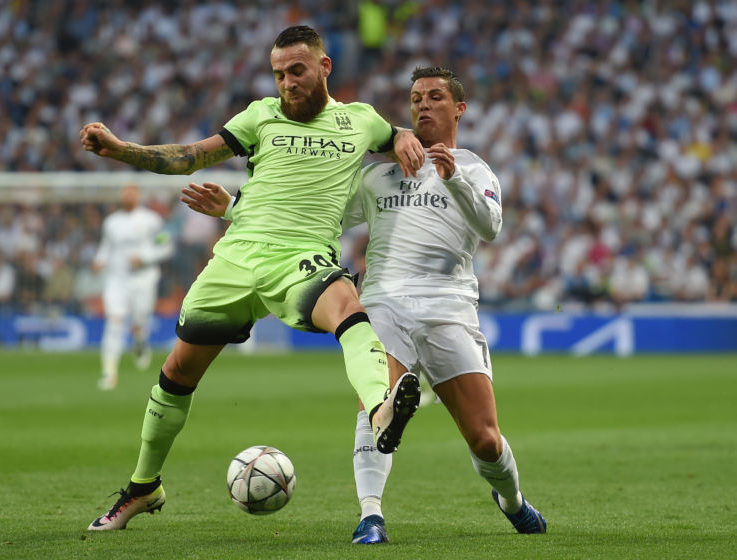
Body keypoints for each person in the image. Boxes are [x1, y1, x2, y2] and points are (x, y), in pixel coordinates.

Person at [79, 25, 425, 531]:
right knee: (177, 372)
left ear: (325, 68)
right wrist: (121, 149)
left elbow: (396, 137)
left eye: (297, 71)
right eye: (279, 73)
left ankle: (381, 409)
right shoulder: (259, 116)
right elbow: (192, 156)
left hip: (302, 257)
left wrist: (406, 137)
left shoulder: (360, 121)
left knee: (348, 308)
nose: (287, 82)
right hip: (236, 257)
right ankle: (143, 486)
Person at [182, 66, 547, 541]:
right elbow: (315, 212)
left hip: (449, 307)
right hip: (384, 303)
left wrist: (452, 177)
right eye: (416, 97)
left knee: (484, 438)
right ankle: (370, 515)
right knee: (379, 406)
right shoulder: (378, 175)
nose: (422, 105)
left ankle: (513, 500)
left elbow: (491, 226)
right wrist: (234, 207)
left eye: (435, 97)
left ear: (459, 108)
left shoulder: (475, 169)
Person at [92, 184, 174, 390]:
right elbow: (106, 247)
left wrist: (145, 258)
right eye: (125, 192)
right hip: (116, 280)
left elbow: (166, 245)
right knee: (115, 322)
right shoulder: (111, 222)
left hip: (143, 280)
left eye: (132, 192)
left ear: (138, 196)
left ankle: (140, 342)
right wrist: (99, 260)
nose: (128, 196)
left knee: (138, 322)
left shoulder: (151, 221)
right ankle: (109, 373)